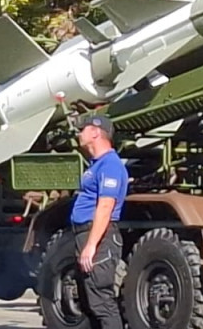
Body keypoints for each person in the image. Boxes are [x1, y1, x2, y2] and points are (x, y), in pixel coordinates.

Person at [70, 114, 127, 329]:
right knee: (88, 301)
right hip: (85, 234)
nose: (78, 134)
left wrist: (91, 245)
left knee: (101, 301)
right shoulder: (96, 164)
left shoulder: (110, 165)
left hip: (100, 238)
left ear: (95, 132)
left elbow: (105, 206)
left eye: (82, 130)